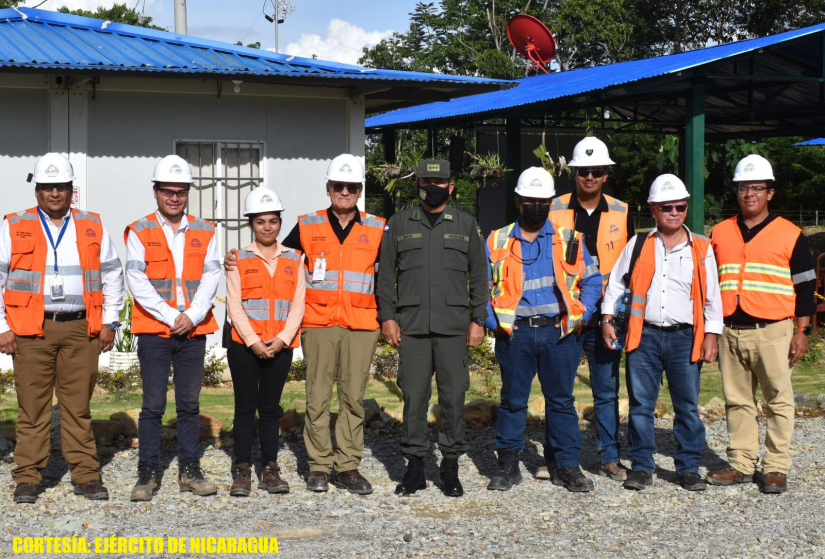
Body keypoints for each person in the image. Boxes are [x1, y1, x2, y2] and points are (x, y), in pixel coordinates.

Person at [225, 154, 385, 495]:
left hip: (361, 324)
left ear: (360, 190)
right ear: (328, 188)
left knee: (353, 399)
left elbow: (386, 278)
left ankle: (348, 467)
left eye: (351, 187)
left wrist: (389, 319)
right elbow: (277, 255)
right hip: (318, 322)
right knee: (317, 398)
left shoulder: (376, 228)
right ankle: (319, 467)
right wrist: (234, 258)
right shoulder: (307, 225)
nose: (345, 192)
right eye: (338, 186)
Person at [0, 153, 124, 503]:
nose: (54, 193)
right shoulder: (13, 225)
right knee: (32, 409)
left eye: (61, 187)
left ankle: (86, 475)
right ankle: (27, 477)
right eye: (47, 187)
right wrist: (2, 327)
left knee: (77, 407)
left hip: (80, 329)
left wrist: (111, 321)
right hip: (30, 331)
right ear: (36, 190)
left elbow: (113, 274)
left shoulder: (92, 225)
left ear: (72, 190)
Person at [602, 174, 722, 491]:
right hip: (644, 337)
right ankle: (642, 466)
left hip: (685, 338)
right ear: (653, 209)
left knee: (687, 407)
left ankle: (688, 468)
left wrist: (712, 335)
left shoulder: (702, 248)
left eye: (680, 206)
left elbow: (712, 297)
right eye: (667, 207)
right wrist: (606, 318)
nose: (674, 212)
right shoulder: (639, 244)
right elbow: (616, 285)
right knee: (641, 406)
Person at [485, 167, 602, 493]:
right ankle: (507, 467)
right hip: (516, 335)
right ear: (518, 201)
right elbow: (480, 287)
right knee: (512, 402)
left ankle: (567, 467)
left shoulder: (570, 239)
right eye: (529, 201)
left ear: (550, 203)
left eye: (542, 202)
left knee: (561, 402)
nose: (535, 207)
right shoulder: (497, 240)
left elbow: (593, 281)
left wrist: (581, 316)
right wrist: (493, 323)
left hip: (558, 335)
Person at [377, 159, 488, 497]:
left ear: (450, 186)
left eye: (439, 182)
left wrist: (478, 320)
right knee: (413, 398)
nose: (433, 186)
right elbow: (386, 275)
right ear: (417, 184)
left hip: (454, 327)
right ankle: (415, 468)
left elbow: (479, 275)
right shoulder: (399, 223)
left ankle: (450, 466)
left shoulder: (466, 224)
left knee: (453, 398)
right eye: (426, 181)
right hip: (412, 327)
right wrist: (387, 317)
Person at [706, 154, 815, 494]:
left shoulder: (791, 234)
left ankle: (776, 467)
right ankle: (741, 463)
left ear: (770, 192)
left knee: (778, 401)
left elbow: (806, 287)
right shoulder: (720, 232)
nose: (749, 193)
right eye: (743, 187)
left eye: (756, 187)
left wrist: (802, 331)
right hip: (730, 331)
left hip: (773, 331)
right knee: (737, 400)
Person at [125, 155, 221, 501]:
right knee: (152, 405)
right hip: (155, 330)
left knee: (189, 404)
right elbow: (136, 279)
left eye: (181, 191)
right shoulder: (139, 230)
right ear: (155, 192)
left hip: (192, 330)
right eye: (168, 191)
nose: (175, 197)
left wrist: (192, 316)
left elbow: (212, 275)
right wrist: (171, 315)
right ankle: (148, 472)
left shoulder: (205, 230)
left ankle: (189, 470)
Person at [548, 136, 634, 481]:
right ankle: (555, 458)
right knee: (559, 392)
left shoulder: (621, 211)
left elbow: (628, 266)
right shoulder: (554, 208)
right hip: (566, 316)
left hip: (605, 318)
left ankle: (609, 458)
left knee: (606, 393)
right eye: (583, 171)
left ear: (606, 175)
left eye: (596, 171)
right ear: (574, 173)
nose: (589, 177)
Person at [225, 187, 304, 496]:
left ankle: (270, 468)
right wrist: (252, 340)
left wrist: (283, 339)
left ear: (280, 223)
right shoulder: (238, 259)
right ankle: (242, 469)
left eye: (273, 221)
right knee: (244, 408)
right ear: (251, 224)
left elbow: (298, 303)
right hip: (244, 347)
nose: (267, 227)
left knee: (271, 410)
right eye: (260, 221)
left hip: (280, 346)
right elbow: (234, 305)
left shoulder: (295, 258)